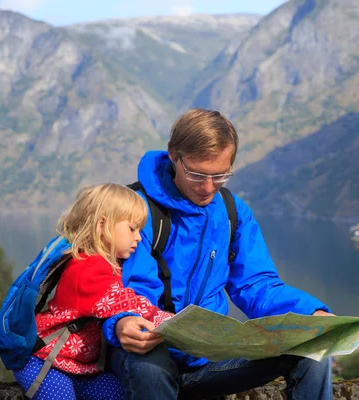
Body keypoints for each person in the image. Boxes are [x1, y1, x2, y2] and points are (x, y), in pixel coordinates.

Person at [103, 109, 334, 400]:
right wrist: (121, 322)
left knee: (314, 350)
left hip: (208, 358)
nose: (208, 187)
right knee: (151, 369)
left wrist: (310, 315)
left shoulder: (231, 212)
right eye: (197, 174)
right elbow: (109, 285)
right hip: (146, 350)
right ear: (174, 155)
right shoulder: (132, 210)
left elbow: (255, 284)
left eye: (220, 175)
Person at [13, 184, 172, 400]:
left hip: (77, 366)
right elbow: (124, 303)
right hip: (45, 360)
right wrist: (172, 322)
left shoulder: (106, 264)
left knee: (119, 393)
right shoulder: (88, 267)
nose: (139, 238)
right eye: (132, 229)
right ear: (103, 225)